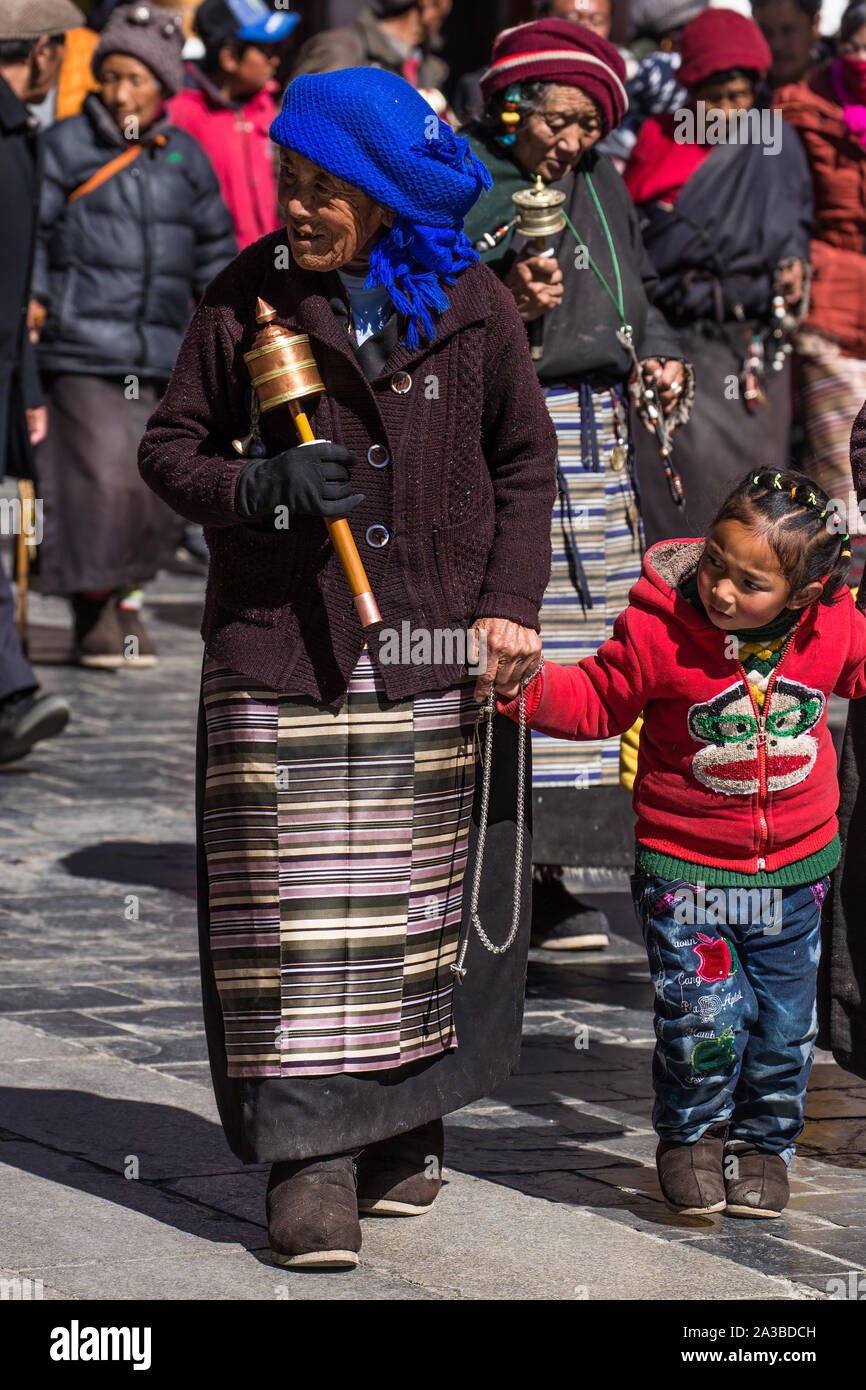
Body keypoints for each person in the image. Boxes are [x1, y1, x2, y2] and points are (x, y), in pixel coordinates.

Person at [138, 66, 557, 1270]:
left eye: (326, 188)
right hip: (280, 652)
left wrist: (508, 606)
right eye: (289, 181)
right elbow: (168, 449)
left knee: (406, 919)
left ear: (381, 195)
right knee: (291, 924)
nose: (299, 206)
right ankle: (308, 1160)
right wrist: (255, 490)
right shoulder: (245, 297)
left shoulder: (470, 305)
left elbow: (523, 467)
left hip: (422, 647)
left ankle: (402, 1123)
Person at [498, 467, 865, 1217]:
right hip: (688, 874)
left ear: (800, 597)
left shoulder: (834, 627)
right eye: (717, 567)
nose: (722, 591)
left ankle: (764, 1144)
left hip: (797, 875)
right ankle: (692, 1136)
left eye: (749, 583)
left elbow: (861, 672)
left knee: (786, 1027)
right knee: (705, 1013)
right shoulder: (659, 627)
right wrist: (526, 689)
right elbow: (598, 698)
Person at [461, 19, 691, 951]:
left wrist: (663, 352)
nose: (568, 144)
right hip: (515, 435)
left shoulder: (599, 183)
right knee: (526, 627)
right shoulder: (470, 179)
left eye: (587, 130)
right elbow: (430, 291)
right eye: (557, 123)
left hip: (602, 448)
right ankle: (514, 865)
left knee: (602, 639)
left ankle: (575, 859)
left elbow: (640, 287)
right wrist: (510, 301)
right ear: (511, 103)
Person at [29, 2, 236, 669]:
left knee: (156, 485)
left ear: (164, 88)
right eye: (111, 76)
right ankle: (93, 604)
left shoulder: (185, 157)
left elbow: (214, 252)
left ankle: (127, 600)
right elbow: (30, 234)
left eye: (137, 80)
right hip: (81, 343)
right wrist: (34, 299)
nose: (120, 93)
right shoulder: (62, 146)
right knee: (100, 480)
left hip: (159, 351)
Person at [625, 8, 812, 547]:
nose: (730, 112)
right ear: (691, 89)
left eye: (740, 97)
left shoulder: (776, 145)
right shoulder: (661, 141)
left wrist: (795, 267)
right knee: (691, 504)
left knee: (758, 504)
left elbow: (795, 222)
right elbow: (639, 241)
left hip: (755, 352)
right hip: (686, 347)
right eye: (717, 97)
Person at [0, 0, 80, 765]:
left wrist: (24, 384)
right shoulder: (12, 130)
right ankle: (11, 690)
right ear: (46, 50)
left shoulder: (18, 130)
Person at [774, 3, 866, 578]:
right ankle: (843, 618)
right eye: (858, 46)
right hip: (834, 312)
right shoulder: (799, 106)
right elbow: (779, 201)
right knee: (848, 488)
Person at [168, 0, 299, 252]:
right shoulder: (180, 114)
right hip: (212, 274)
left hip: (268, 267)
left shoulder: (266, 108)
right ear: (229, 57)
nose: (275, 60)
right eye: (265, 50)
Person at [752, 0, 823, 90]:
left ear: (815, 24)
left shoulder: (842, 87)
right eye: (765, 31)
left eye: (789, 30)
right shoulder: (738, 96)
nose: (776, 44)